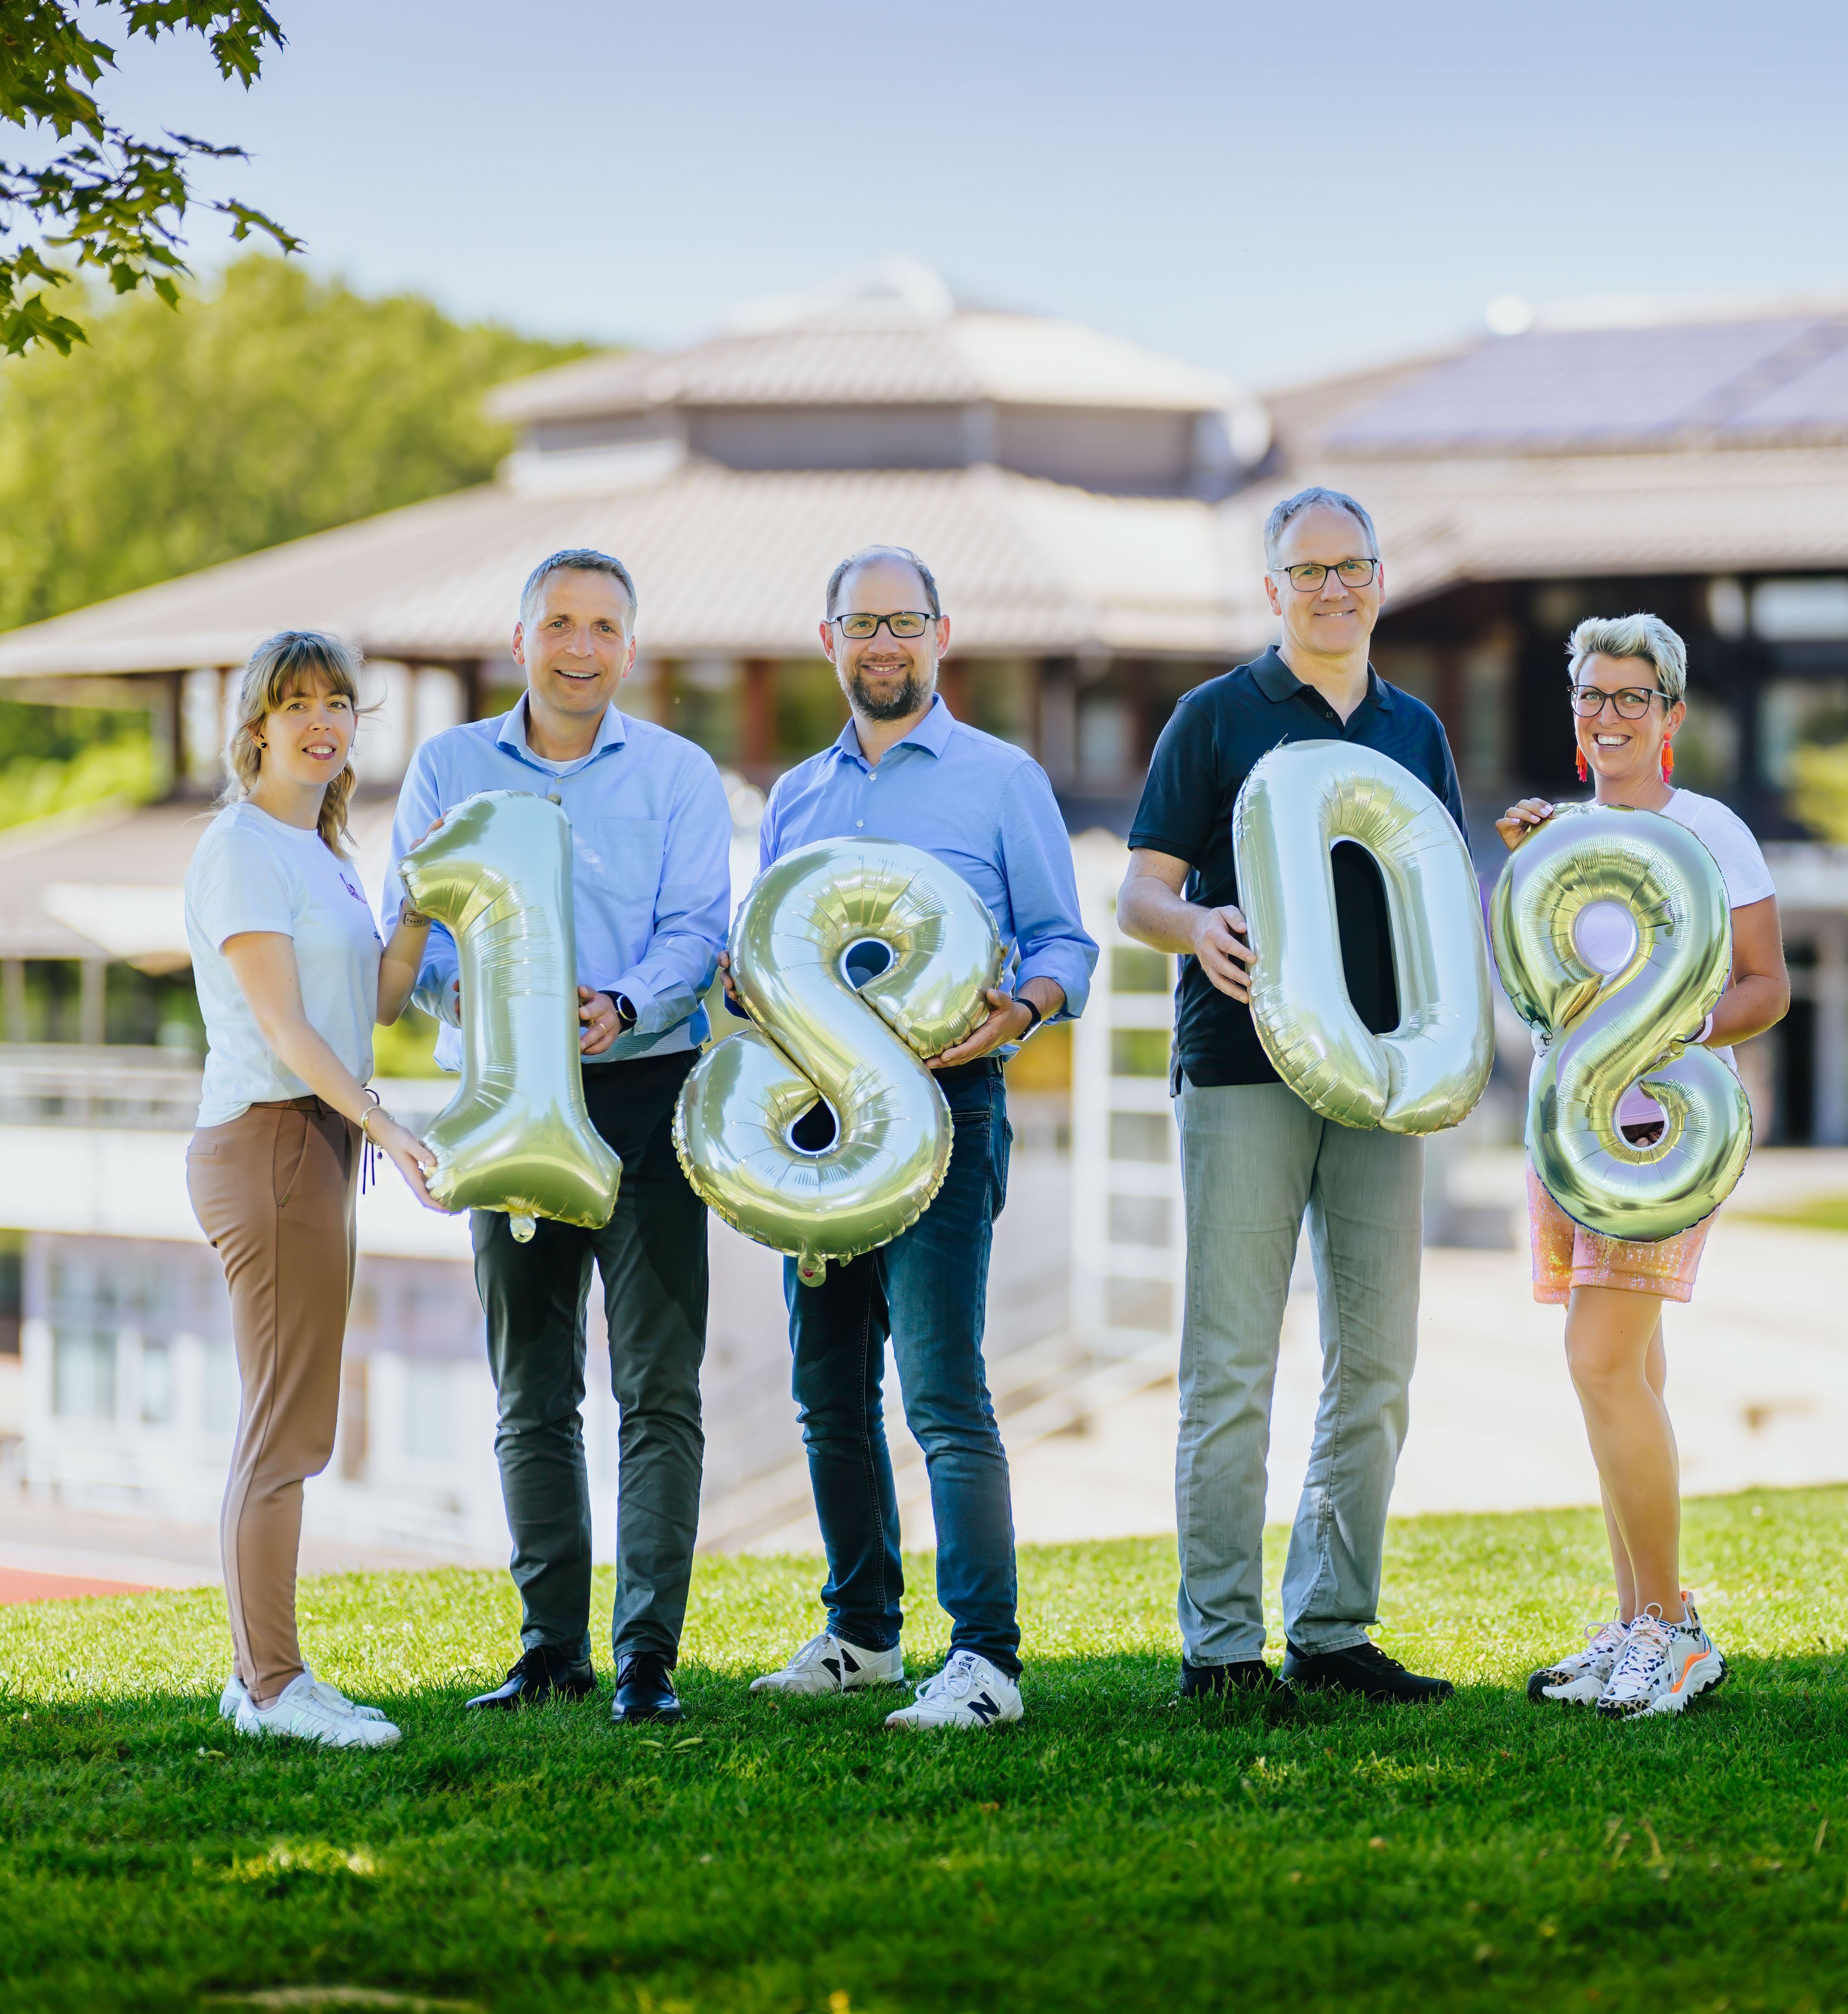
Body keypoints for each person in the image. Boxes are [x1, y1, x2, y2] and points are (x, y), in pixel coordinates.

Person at [736, 546, 1096, 1732]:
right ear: (829, 638)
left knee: (943, 1386)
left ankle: (985, 1658)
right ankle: (863, 1636)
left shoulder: (1002, 780)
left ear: (942, 634)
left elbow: (1065, 944)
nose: (881, 643)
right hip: (824, 1123)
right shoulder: (795, 796)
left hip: (951, 1115)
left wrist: (1024, 1006)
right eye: (860, 622)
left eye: (903, 621)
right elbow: (768, 961)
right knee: (827, 1388)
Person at [1117, 486, 1461, 1703]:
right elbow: (1140, 893)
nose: (1330, 589)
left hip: (1383, 1081)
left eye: (1350, 568)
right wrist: (1194, 923)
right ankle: (1219, 1649)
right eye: (1306, 572)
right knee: (1230, 1365)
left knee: (1375, 1363)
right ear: (1273, 590)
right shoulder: (1213, 716)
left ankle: (1332, 1630)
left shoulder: (1418, 729)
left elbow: (1439, 907)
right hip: (1240, 1070)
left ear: (1378, 580)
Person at [383, 549, 733, 1727]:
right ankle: (550, 1652)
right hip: (505, 1097)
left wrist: (625, 1002)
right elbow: (419, 928)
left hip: (646, 1092)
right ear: (520, 637)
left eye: (604, 627)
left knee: (658, 1386)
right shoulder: (448, 766)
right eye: (561, 623)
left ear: (630, 649)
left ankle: (647, 1658)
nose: (581, 646)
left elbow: (697, 928)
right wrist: (467, 997)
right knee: (531, 1386)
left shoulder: (680, 774)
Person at [1497, 615, 1788, 1719]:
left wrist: (1662, 1039)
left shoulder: (1711, 829)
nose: (1608, 715)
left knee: (1601, 1360)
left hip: (1663, 1133)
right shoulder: (1557, 838)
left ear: (1671, 714)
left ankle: (1667, 1629)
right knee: (1633, 1373)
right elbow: (1538, 995)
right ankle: (1639, 1619)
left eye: (1631, 697)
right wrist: (1532, 861)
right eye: (1591, 695)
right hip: (1563, 1133)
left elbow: (1766, 988)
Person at [185, 630, 447, 1750]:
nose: (322, 720)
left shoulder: (323, 849)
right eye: (297, 703)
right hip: (276, 1140)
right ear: (256, 726)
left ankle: (267, 1675)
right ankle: (274, 1686)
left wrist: (425, 902)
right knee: (284, 1432)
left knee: (291, 1424)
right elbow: (290, 1030)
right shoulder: (244, 847)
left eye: (339, 702)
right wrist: (386, 1121)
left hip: (313, 1147)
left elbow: (378, 1001)